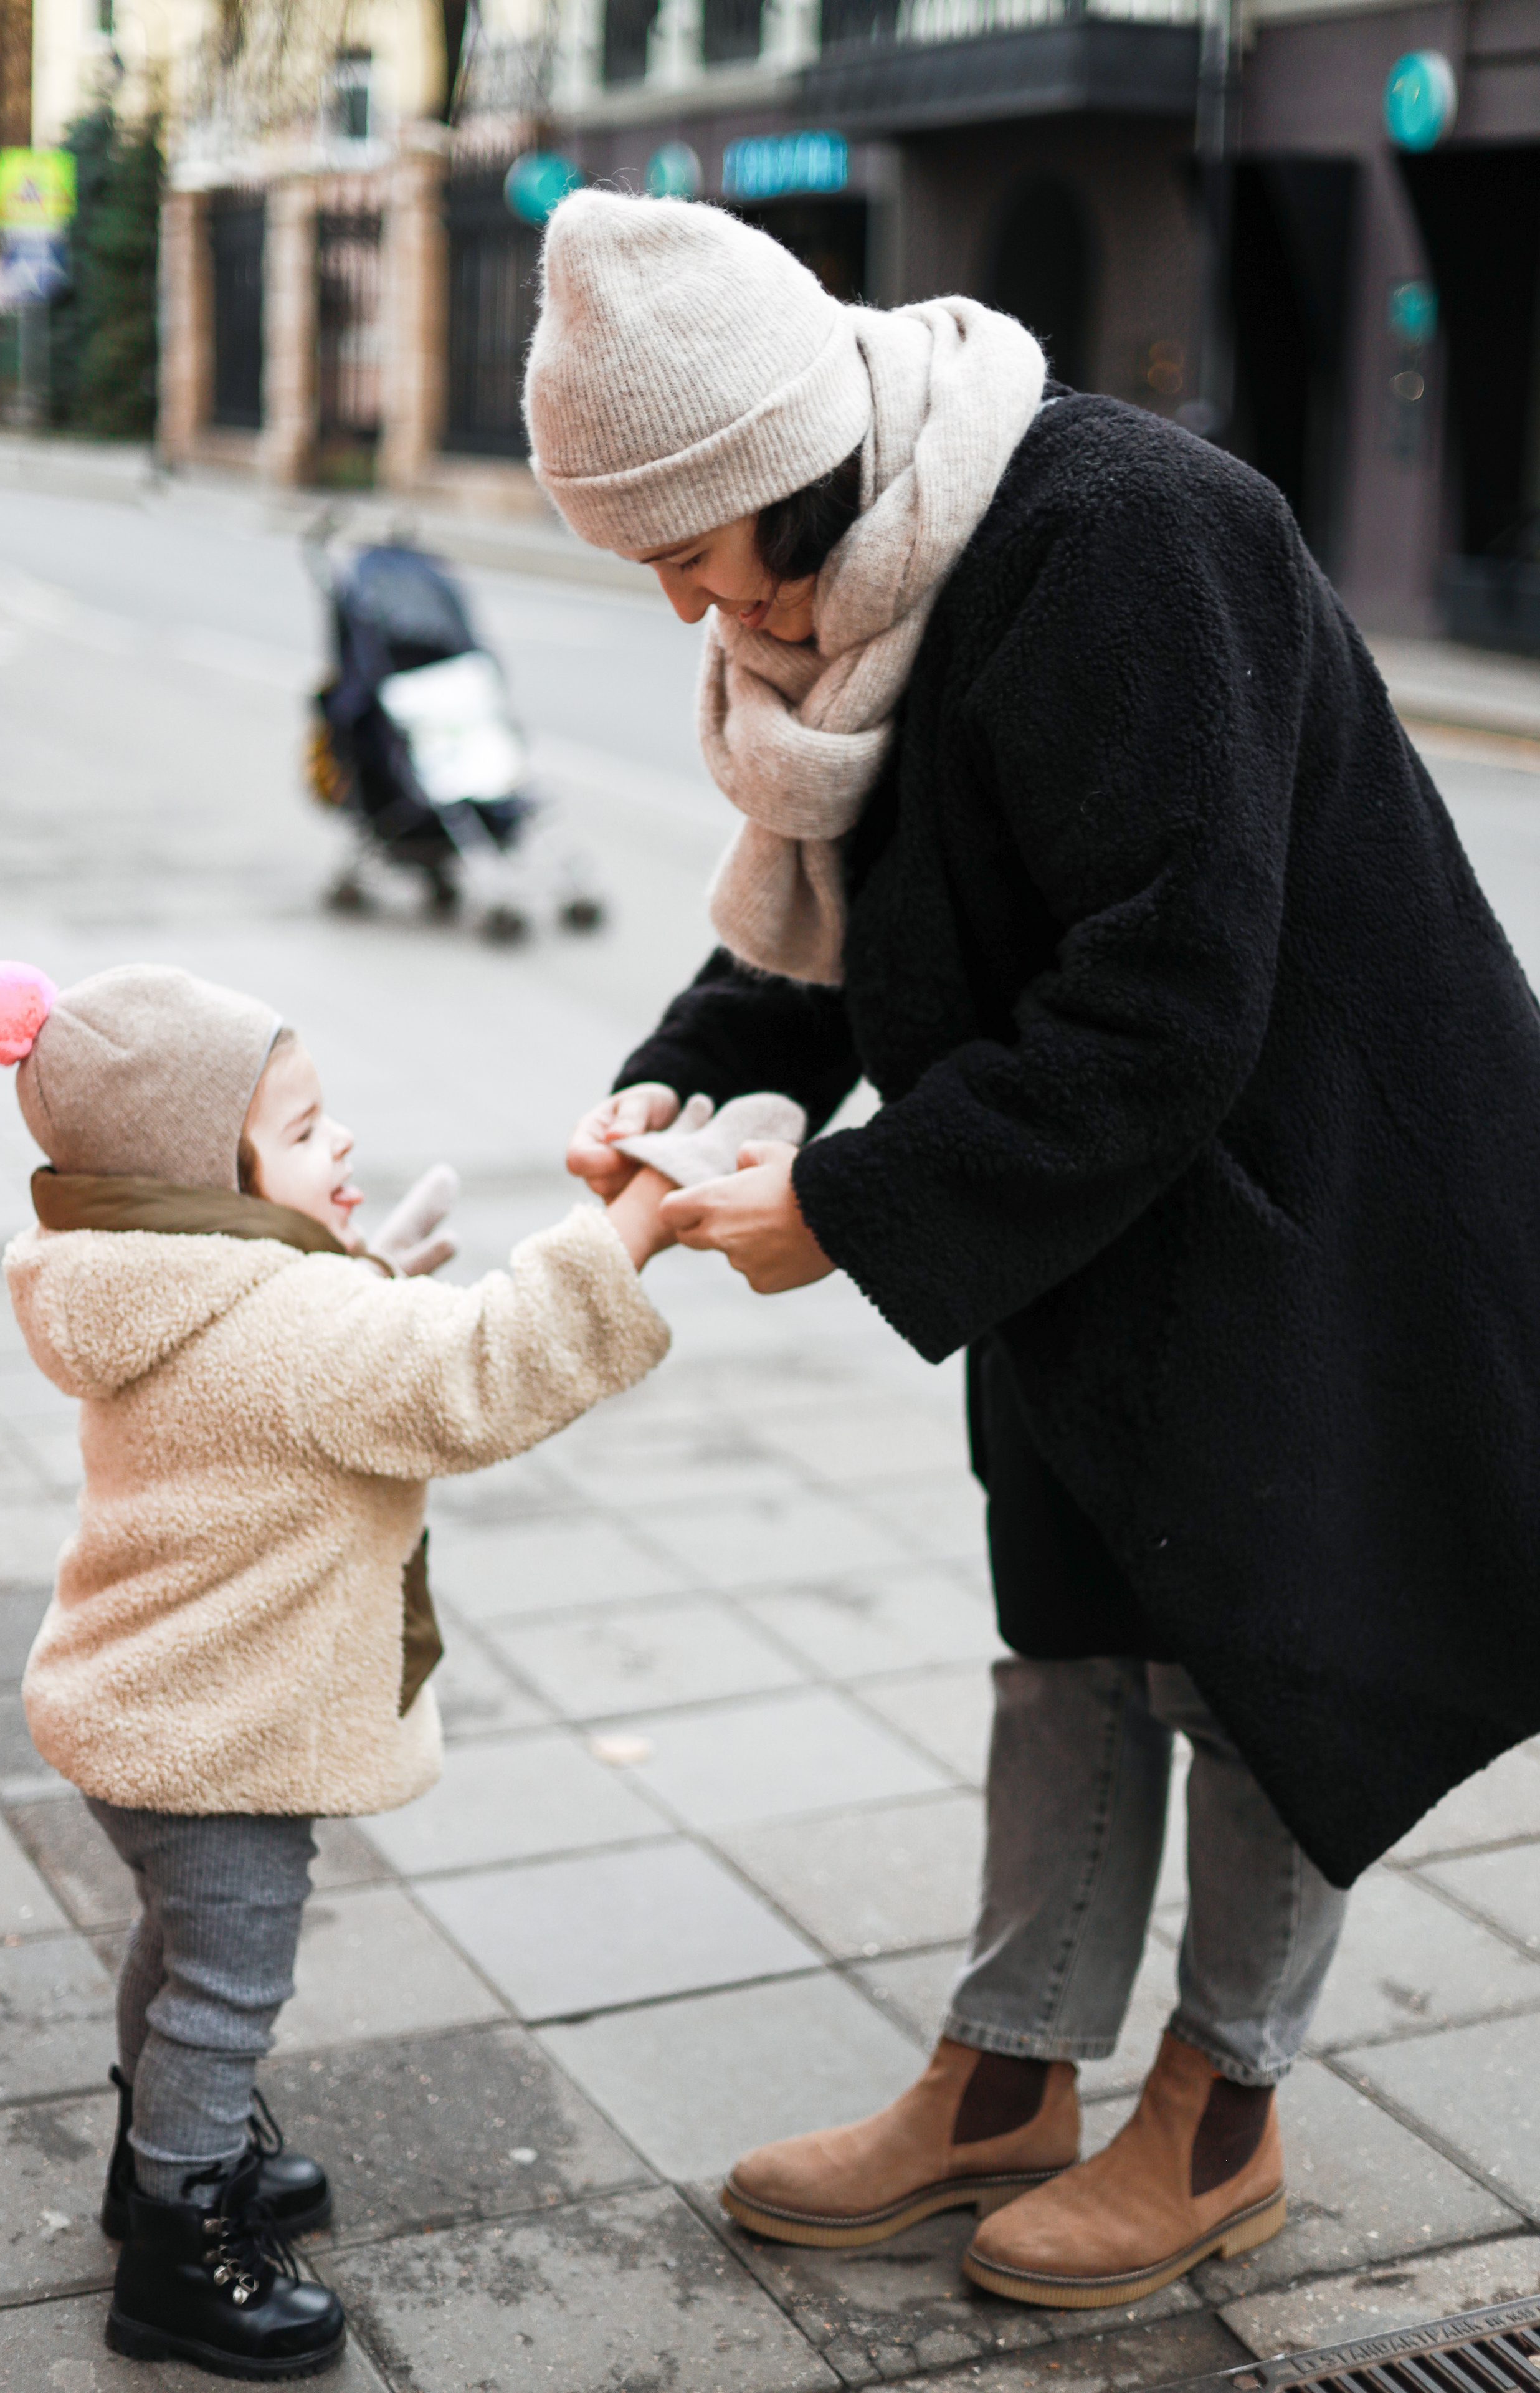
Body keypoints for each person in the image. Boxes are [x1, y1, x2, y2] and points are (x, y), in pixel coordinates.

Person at [530, 190, 1540, 2307]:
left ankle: (1223, 2110)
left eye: (677, 546)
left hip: (1315, 1189)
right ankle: (1006, 2074)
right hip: (1093, 1180)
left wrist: (852, 1211)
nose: (670, 600)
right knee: (1069, 1617)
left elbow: (1170, 994)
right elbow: (850, 919)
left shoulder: (1121, 535)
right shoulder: (854, 589)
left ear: (769, 471)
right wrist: (690, 1085)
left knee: (1266, 1645)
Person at [0, 958, 779, 2379]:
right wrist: (632, 1223)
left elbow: (295, 1358)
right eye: (302, 1126)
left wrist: (362, 1276)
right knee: (226, 1984)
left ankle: (155, 2164)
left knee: (171, 1956)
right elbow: (477, 1371)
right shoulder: (283, 1324)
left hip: (140, 1712)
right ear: (207, 1173)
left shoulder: (151, 1285)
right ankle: (180, 2250)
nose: (337, 1141)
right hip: (220, 1738)